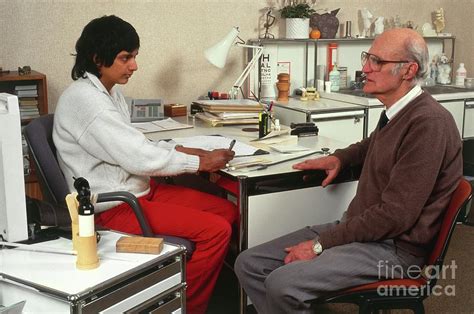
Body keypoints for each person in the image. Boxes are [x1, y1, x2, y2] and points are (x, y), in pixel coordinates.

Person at [234, 28, 462, 313]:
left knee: (283, 284)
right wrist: (339, 159)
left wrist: (319, 245)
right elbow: (371, 146)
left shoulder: (429, 124)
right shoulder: (398, 111)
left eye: (377, 62)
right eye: (368, 58)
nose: (364, 68)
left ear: (408, 70)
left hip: (395, 250)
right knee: (249, 264)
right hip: (364, 231)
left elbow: (395, 216)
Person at [53, 15, 237, 314]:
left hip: (138, 189)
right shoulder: (87, 102)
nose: (134, 66)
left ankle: (194, 283)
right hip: (114, 207)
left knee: (228, 210)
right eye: (126, 58)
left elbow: (133, 144)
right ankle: (184, 306)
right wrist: (199, 163)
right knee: (216, 231)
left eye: (134, 57)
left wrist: (190, 151)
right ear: (98, 58)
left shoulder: (109, 92)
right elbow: (138, 156)